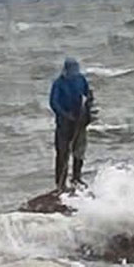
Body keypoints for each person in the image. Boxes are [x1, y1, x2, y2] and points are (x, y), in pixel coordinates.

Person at [48, 56, 95, 191]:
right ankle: (60, 183)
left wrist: (87, 110)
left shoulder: (81, 79)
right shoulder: (59, 83)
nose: (73, 72)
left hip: (80, 121)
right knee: (63, 152)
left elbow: (88, 95)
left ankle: (76, 178)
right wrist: (65, 115)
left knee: (79, 151)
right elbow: (54, 103)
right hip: (64, 123)